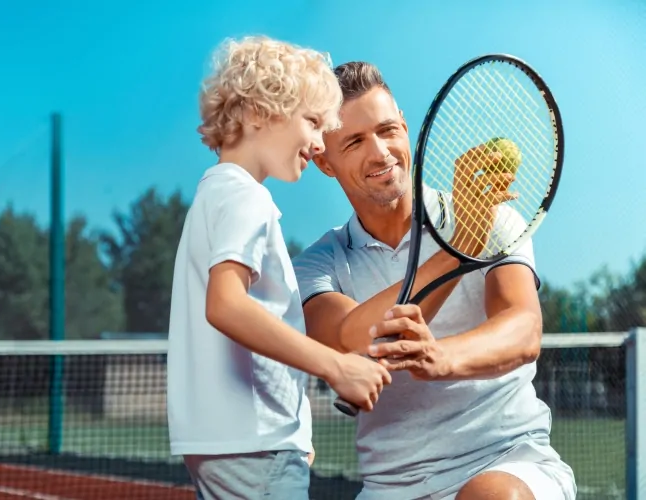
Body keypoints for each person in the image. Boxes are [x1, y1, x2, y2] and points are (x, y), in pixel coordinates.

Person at [292, 61, 577, 500]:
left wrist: (439, 357)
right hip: (389, 487)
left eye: (387, 130)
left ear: (405, 127)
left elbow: (523, 330)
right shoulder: (316, 265)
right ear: (324, 162)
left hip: (505, 461)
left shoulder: (496, 216)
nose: (380, 152)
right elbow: (346, 339)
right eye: (354, 141)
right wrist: (458, 247)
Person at [167, 39, 392, 500]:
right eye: (312, 122)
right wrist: (336, 367)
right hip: (255, 444)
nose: (317, 141)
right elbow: (226, 306)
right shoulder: (248, 197)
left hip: (235, 442)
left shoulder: (214, 194)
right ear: (257, 113)